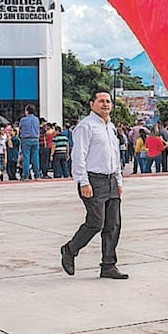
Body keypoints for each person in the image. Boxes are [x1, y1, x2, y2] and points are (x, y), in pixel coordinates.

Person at [59, 90, 127, 280]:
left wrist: (119, 180)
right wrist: (83, 181)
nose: (106, 104)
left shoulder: (111, 127)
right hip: (93, 180)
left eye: (108, 101)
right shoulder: (86, 126)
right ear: (91, 104)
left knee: (113, 224)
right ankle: (70, 250)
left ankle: (108, 265)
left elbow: (115, 156)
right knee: (96, 222)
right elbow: (78, 155)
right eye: (101, 101)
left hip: (111, 180)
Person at [19, 104, 40, 180]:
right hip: (35, 139)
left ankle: (26, 175)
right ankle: (37, 175)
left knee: (26, 157)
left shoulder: (23, 120)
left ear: (27, 111)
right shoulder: (36, 119)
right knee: (35, 157)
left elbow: (20, 128)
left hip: (26, 139)